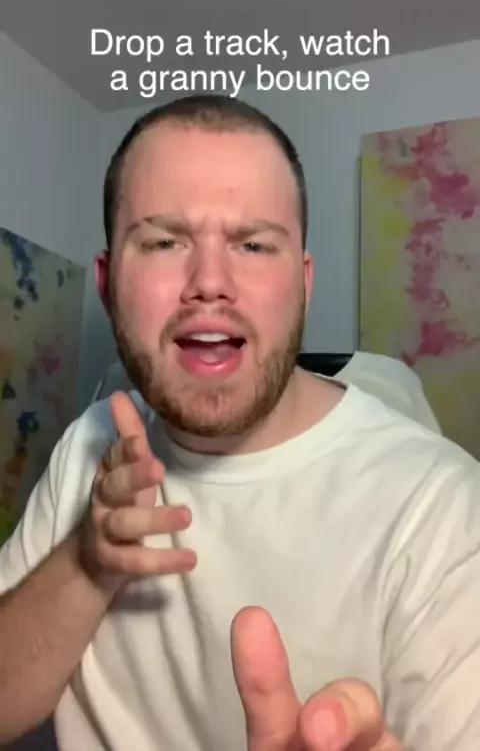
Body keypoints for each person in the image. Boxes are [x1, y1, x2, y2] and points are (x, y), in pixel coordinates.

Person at [0, 94, 479, 751]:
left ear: (303, 283)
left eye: (253, 244)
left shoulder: (441, 506)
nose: (210, 281)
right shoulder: (89, 444)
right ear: (107, 285)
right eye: (164, 241)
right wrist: (87, 561)